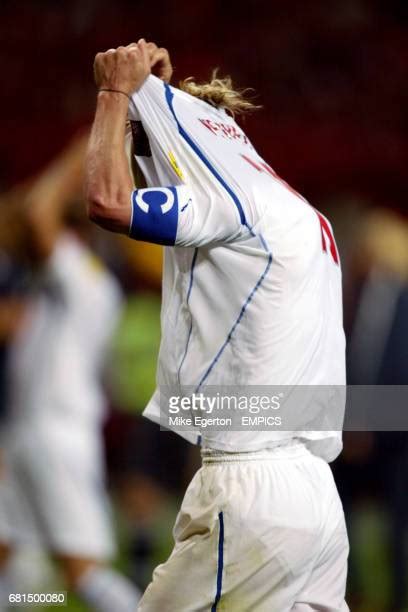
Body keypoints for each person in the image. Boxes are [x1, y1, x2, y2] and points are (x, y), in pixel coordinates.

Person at [85, 39, 349, 611]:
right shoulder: (297, 210)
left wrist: (112, 95)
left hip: (251, 490)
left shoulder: (228, 202)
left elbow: (108, 200)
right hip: (316, 494)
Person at [0, 137, 141, 612]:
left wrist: (89, 143)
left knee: (84, 575)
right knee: (10, 562)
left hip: (58, 435)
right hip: (26, 433)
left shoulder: (87, 279)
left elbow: (38, 209)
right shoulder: (43, 284)